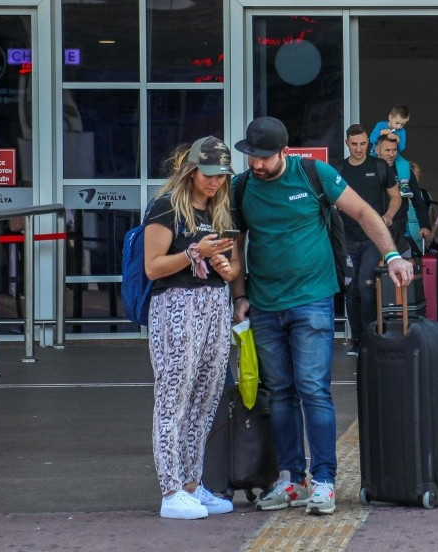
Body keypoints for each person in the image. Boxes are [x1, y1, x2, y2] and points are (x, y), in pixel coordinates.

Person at [229, 117, 414, 516]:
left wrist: (392, 255)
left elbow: (363, 212)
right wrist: (240, 295)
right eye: (251, 157)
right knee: (280, 392)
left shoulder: (314, 174)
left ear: (284, 152)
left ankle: (324, 481)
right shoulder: (242, 187)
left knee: (313, 389)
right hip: (264, 304)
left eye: (264, 157)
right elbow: (237, 244)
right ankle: (292, 480)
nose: (256, 164)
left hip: (312, 300)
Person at [143, 136, 242, 520]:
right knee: (173, 397)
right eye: (208, 173)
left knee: (205, 399)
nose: (215, 181)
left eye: (221, 175)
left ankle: (191, 483)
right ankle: (170, 490)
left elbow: (233, 269)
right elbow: (153, 267)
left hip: (214, 305)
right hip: (176, 306)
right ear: (191, 170)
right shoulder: (167, 207)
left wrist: (224, 267)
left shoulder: (221, 210)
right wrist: (192, 253)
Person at [335, 124, 402, 357]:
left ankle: (370, 338)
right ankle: (357, 340)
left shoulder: (379, 166)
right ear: (347, 144)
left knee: (366, 286)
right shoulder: (339, 169)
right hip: (347, 239)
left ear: (368, 144)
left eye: (363, 144)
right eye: (354, 144)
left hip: (373, 238)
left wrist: (389, 215)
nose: (359, 148)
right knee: (351, 290)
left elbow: (395, 196)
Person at [375, 134, 431, 255]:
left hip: (398, 229)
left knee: (401, 264)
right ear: (377, 150)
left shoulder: (405, 172)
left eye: (394, 150)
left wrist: (424, 225)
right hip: (373, 228)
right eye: (387, 150)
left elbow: (418, 202)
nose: (391, 154)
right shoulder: (370, 170)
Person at [370, 104, 414, 198]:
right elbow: (372, 139)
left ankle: (404, 186)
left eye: (403, 124)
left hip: (394, 155)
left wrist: (398, 139)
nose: (399, 126)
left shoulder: (402, 131)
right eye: (397, 123)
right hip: (375, 152)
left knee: (404, 163)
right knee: (370, 165)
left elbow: (401, 148)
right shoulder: (381, 125)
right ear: (390, 117)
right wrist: (381, 132)